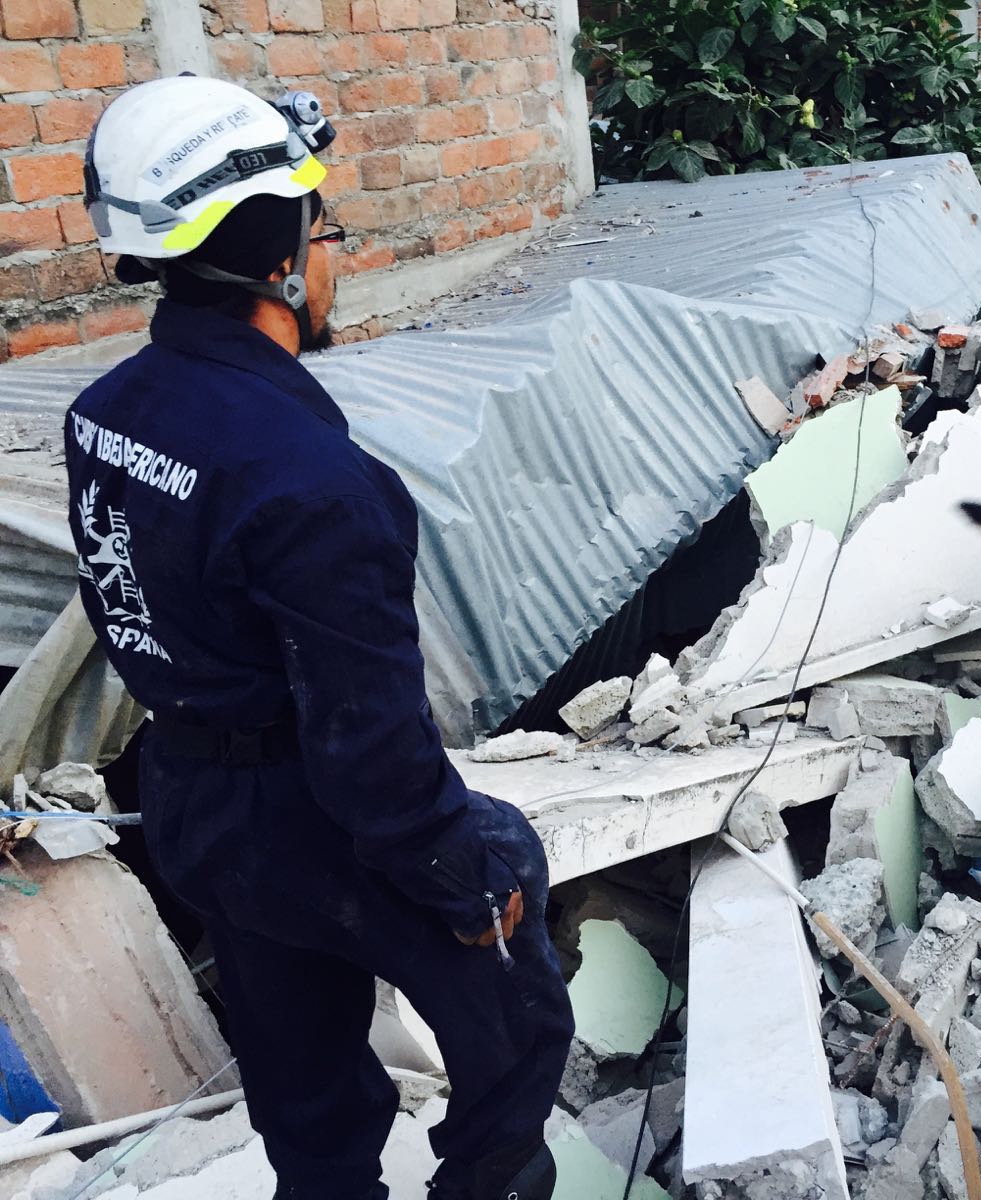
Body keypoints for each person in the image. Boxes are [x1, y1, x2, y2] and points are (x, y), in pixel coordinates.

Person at [65, 75, 573, 1200]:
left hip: (195, 804)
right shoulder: (315, 485)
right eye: (323, 223)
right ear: (280, 255)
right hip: (315, 818)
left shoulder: (103, 415)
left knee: (303, 1094)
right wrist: (463, 874)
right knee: (518, 1020)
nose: (336, 252)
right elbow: (372, 754)